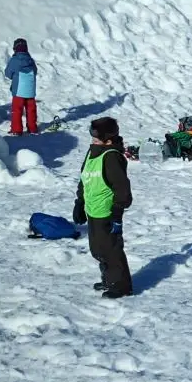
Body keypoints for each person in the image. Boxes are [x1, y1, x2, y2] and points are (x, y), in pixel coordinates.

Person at [73, 117, 134, 298]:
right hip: (93, 210)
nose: (93, 140)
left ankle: (121, 286)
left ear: (108, 139)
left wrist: (117, 213)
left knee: (111, 250)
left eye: (97, 138)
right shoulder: (92, 153)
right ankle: (109, 279)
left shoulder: (112, 157)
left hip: (107, 212)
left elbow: (122, 188)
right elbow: (85, 179)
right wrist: (80, 203)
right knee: (98, 249)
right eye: (92, 137)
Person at [3, 38, 38, 135]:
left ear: (15, 48)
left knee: (17, 110)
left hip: (18, 90)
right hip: (30, 90)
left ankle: (16, 130)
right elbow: (35, 71)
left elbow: (8, 73)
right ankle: (32, 128)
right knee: (31, 110)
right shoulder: (30, 60)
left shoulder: (14, 60)